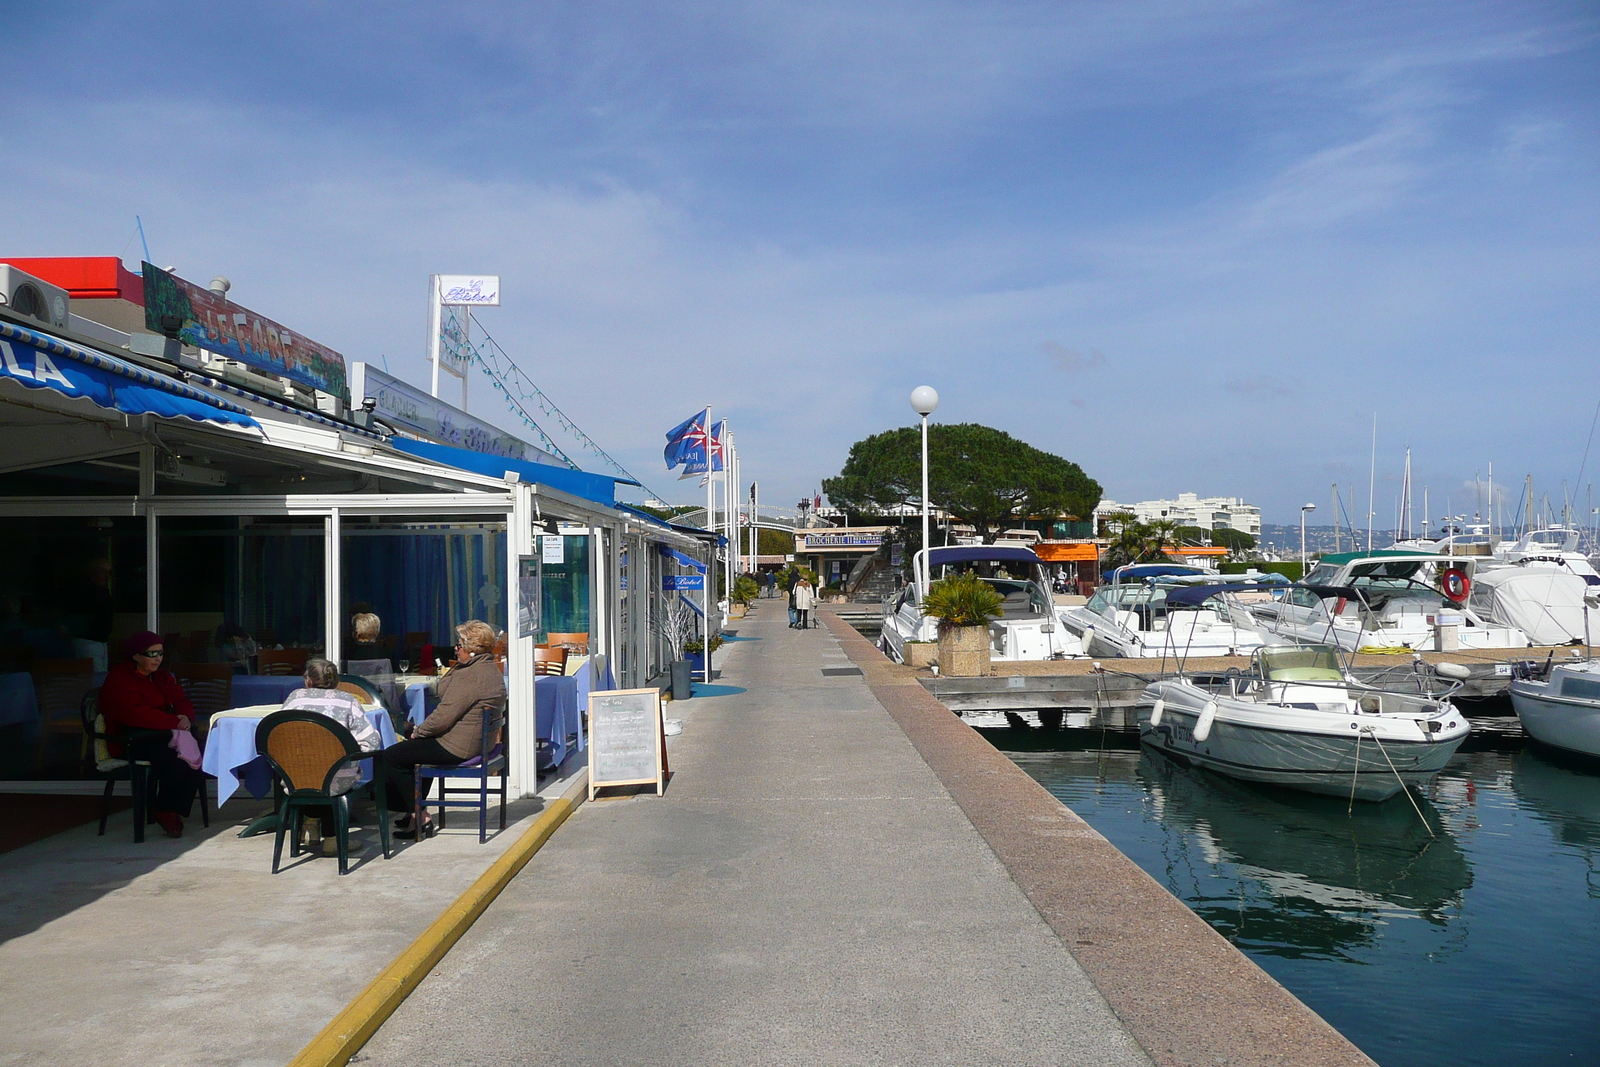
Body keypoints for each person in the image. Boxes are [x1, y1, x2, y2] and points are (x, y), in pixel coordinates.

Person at [381, 619, 505, 839]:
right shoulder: (487, 668)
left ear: (473, 650)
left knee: (391, 756)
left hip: (458, 746)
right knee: (416, 752)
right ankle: (414, 811)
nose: (455, 648)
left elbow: (443, 717)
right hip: (474, 741)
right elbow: (446, 698)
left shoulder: (471, 676)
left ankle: (418, 814)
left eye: (460, 645)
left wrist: (418, 731)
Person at [98, 632, 203, 837]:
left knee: (194, 755)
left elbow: (180, 699)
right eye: (151, 654)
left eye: (160, 653)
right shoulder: (120, 678)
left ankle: (170, 808)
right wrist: (174, 722)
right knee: (172, 758)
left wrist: (185, 716)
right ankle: (165, 809)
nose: (157, 658)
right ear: (136, 656)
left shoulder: (162, 676)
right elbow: (135, 715)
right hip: (130, 737)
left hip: (162, 732)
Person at [278, 658, 382, 855]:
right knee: (332, 771)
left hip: (295, 779)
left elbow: (284, 737)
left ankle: (310, 823)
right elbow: (371, 743)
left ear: (308, 681)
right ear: (335, 682)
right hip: (335, 779)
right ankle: (331, 839)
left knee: (311, 769)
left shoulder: (295, 698)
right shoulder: (347, 700)